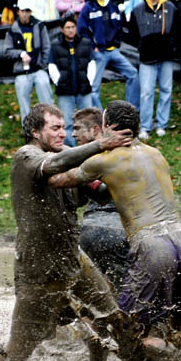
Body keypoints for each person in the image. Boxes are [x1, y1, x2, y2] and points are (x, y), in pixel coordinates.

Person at [48, 100, 181, 336]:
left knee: (127, 329)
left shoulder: (105, 160)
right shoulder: (156, 154)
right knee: (178, 330)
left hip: (153, 247)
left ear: (107, 126)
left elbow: (55, 179)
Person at [6, 103, 132, 361]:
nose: (63, 134)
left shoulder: (64, 154)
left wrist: (124, 159)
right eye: (55, 128)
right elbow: (55, 165)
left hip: (73, 258)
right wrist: (100, 145)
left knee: (110, 315)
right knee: (21, 348)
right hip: (39, 267)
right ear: (35, 132)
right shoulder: (26, 156)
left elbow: (98, 192)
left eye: (64, 128)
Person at [73, 107, 129, 291]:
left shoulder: (85, 158)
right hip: (120, 230)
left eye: (78, 128)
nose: (73, 134)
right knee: (126, 292)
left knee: (90, 292)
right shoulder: (129, 150)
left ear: (96, 130)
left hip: (94, 231)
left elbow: (81, 200)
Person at [130, 0, 180, 139]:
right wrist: (143, 46)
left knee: (166, 90)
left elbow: (177, 31)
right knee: (146, 92)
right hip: (147, 57)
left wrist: (172, 47)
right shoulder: (138, 9)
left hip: (167, 57)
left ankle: (161, 124)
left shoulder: (170, 8)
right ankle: (145, 126)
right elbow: (133, 34)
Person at [77, 0, 139, 109]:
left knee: (133, 73)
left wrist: (116, 42)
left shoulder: (113, 6)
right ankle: (99, 115)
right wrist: (92, 46)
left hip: (113, 51)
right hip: (98, 52)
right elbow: (81, 29)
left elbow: (119, 26)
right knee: (94, 86)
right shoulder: (89, 6)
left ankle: (131, 109)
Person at [3, 0, 54, 124]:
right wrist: (20, 54)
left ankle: (50, 126)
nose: (25, 14)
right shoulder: (12, 30)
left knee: (47, 101)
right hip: (21, 72)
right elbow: (7, 51)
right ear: (18, 11)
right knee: (24, 106)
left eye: (28, 11)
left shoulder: (39, 26)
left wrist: (43, 64)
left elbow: (46, 47)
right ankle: (28, 132)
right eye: (23, 11)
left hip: (38, 69)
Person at [48, 12, 94, 147]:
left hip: (83, 88)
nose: (71, 30)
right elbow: (51, 65)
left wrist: (89, 81)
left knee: (87, 120)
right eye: (67, 27)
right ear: (62, 29)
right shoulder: (55, 45)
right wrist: (58, 81)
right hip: (65, 90)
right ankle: (69, 149)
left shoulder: (85, 43)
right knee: (67, 122)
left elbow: (91, 63)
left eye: (73, 27)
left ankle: (88, 147)